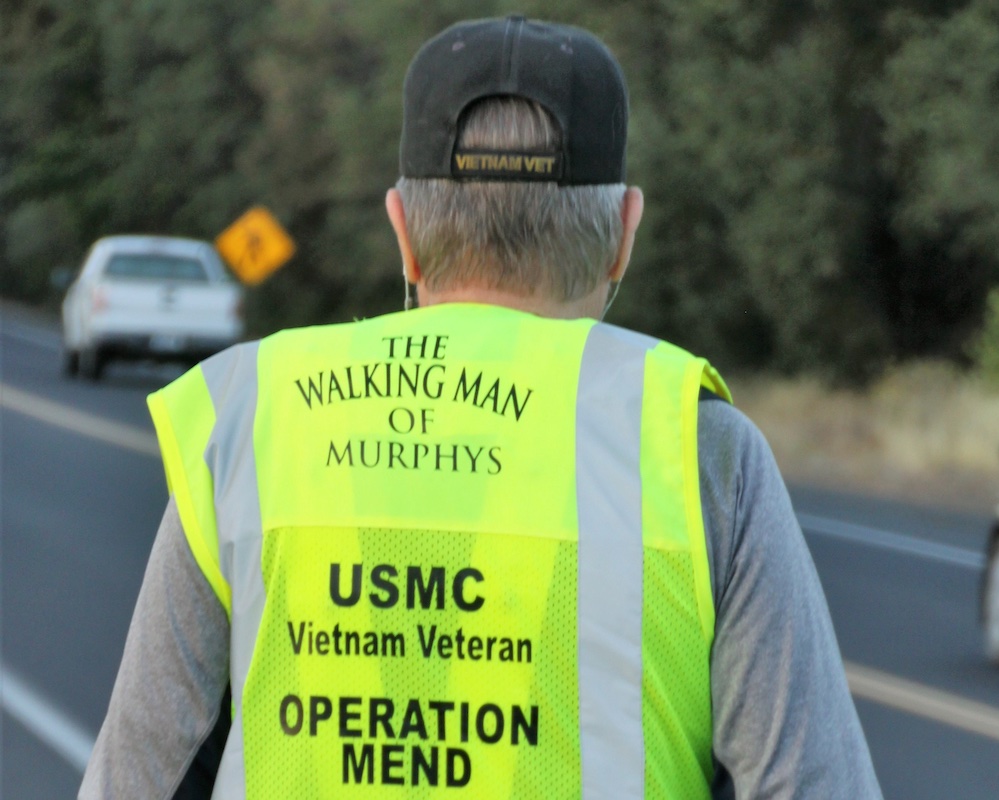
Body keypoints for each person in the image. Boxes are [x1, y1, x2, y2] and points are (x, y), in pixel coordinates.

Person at [80, 15, 881, 799]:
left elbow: (136, 777)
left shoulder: (257, 419)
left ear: (402, 231)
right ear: (623, 234)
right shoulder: (695, 448)